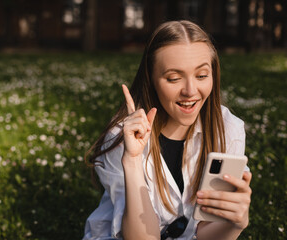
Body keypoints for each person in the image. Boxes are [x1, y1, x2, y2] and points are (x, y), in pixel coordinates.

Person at [83, 20, 252, 240]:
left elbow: (207, 235)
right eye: (173, 78)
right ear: (151, 79)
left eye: (201, 76)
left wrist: (236, 222)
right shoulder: (123, 136)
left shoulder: (229, 129)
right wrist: (132, 161)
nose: (190, 91)